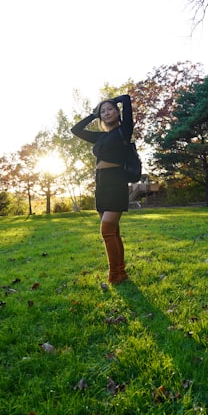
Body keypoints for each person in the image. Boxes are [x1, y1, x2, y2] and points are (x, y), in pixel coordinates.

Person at [71, 94, 134, 284]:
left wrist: (114, 100)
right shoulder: (101, 136)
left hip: (117, 182)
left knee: (106, 229)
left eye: (110, 109)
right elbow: (75, 129)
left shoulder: (124, 130)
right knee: (113, 231)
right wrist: (93, 114)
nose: (106, 113)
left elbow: (127, 99)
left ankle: (114, 274)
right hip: (101, 184)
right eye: (103, 111)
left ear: (117, 112)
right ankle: (121, 272)